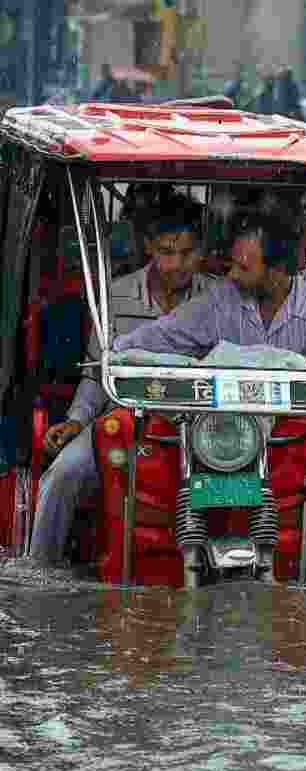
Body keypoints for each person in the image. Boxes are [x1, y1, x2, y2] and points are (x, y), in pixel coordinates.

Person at [29, 199, 223, 565]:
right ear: (149, 247)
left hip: (199, 426)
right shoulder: (115, 295)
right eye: (167, 252)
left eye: (187, 253)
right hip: (120, 419)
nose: (177, 265)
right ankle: (41, 568)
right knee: (64, 474)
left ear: (201, 251)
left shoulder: (218, 297)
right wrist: (76, 421)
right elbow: (95, 374)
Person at [111, 210, 306, 361]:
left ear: (277, 271)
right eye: (232, 265)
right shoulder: (223, 295)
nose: (232, 274)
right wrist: (119, 349)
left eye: (243, 268)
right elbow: (168, 332)